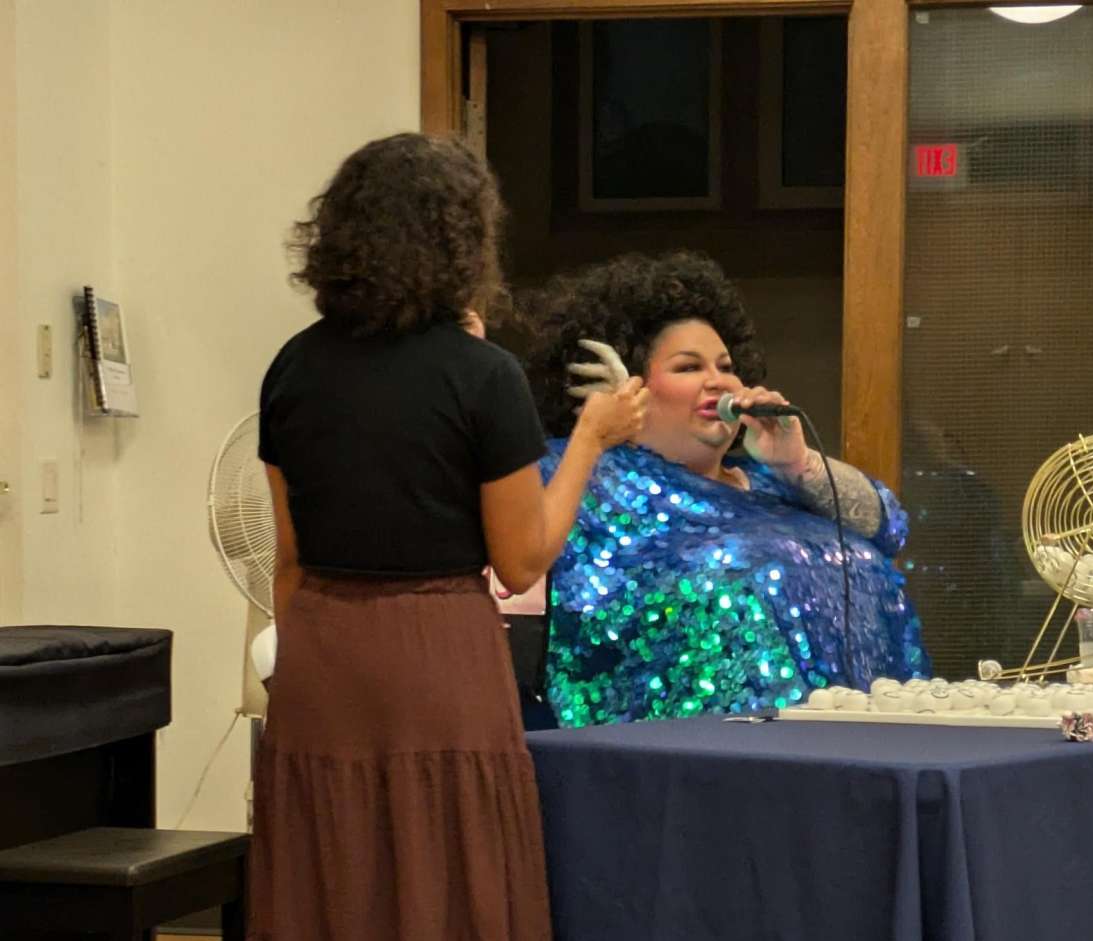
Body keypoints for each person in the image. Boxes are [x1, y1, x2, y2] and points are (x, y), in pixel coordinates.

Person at [251, 133, 646, 941]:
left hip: (321, 648)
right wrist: (591, 440)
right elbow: (522, 555)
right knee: (449, 862)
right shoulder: (481, 375)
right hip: (437, 652)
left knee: (333, 869)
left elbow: (287, 559)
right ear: (462, 242)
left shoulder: (292, 367)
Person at [522, 251, 930, 727]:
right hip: (703, 758)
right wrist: (603, 433)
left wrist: (798, 464)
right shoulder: (588, 472)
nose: (718, 381)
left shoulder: (768, 481)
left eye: (726, 365)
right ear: (626, 388)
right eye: (689, 367)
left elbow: (887, 527)